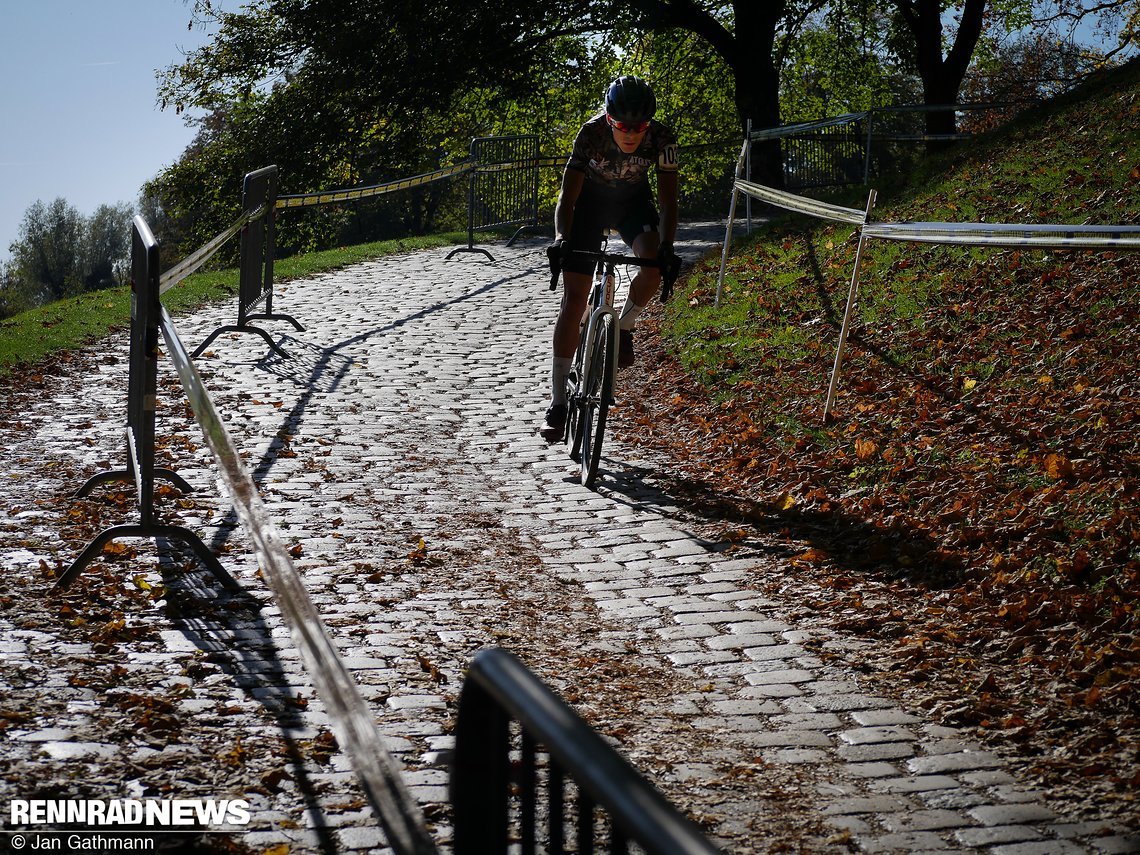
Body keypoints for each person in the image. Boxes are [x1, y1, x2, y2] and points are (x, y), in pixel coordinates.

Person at [539, 75, 679, 443]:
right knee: (573, 299)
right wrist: (561, 238)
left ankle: (625, 327)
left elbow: (668, 202)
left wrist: (668, 246)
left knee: (651, 265)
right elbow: (566, 199)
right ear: (608, 119)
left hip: (633, 205)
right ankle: (557, 402)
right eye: (622, 126)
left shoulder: (663, 140)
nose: (631, 133)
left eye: (639, 126)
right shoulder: (590, 134)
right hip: (589, 207)